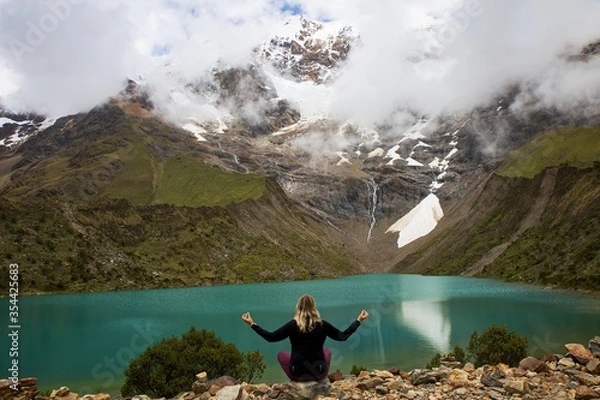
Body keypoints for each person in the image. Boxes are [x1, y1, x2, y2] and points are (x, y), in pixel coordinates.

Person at [242, 294, 369, 382]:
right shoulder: (322, 324)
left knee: (282, 355)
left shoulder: (293, 325)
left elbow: (271, 337)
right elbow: (343, 337)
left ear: (298, 307)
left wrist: (252, 324)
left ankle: (298, 379)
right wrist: (358, 320)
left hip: (297, 373)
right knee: (327, 352)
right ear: (314, 307)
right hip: (318, 373)